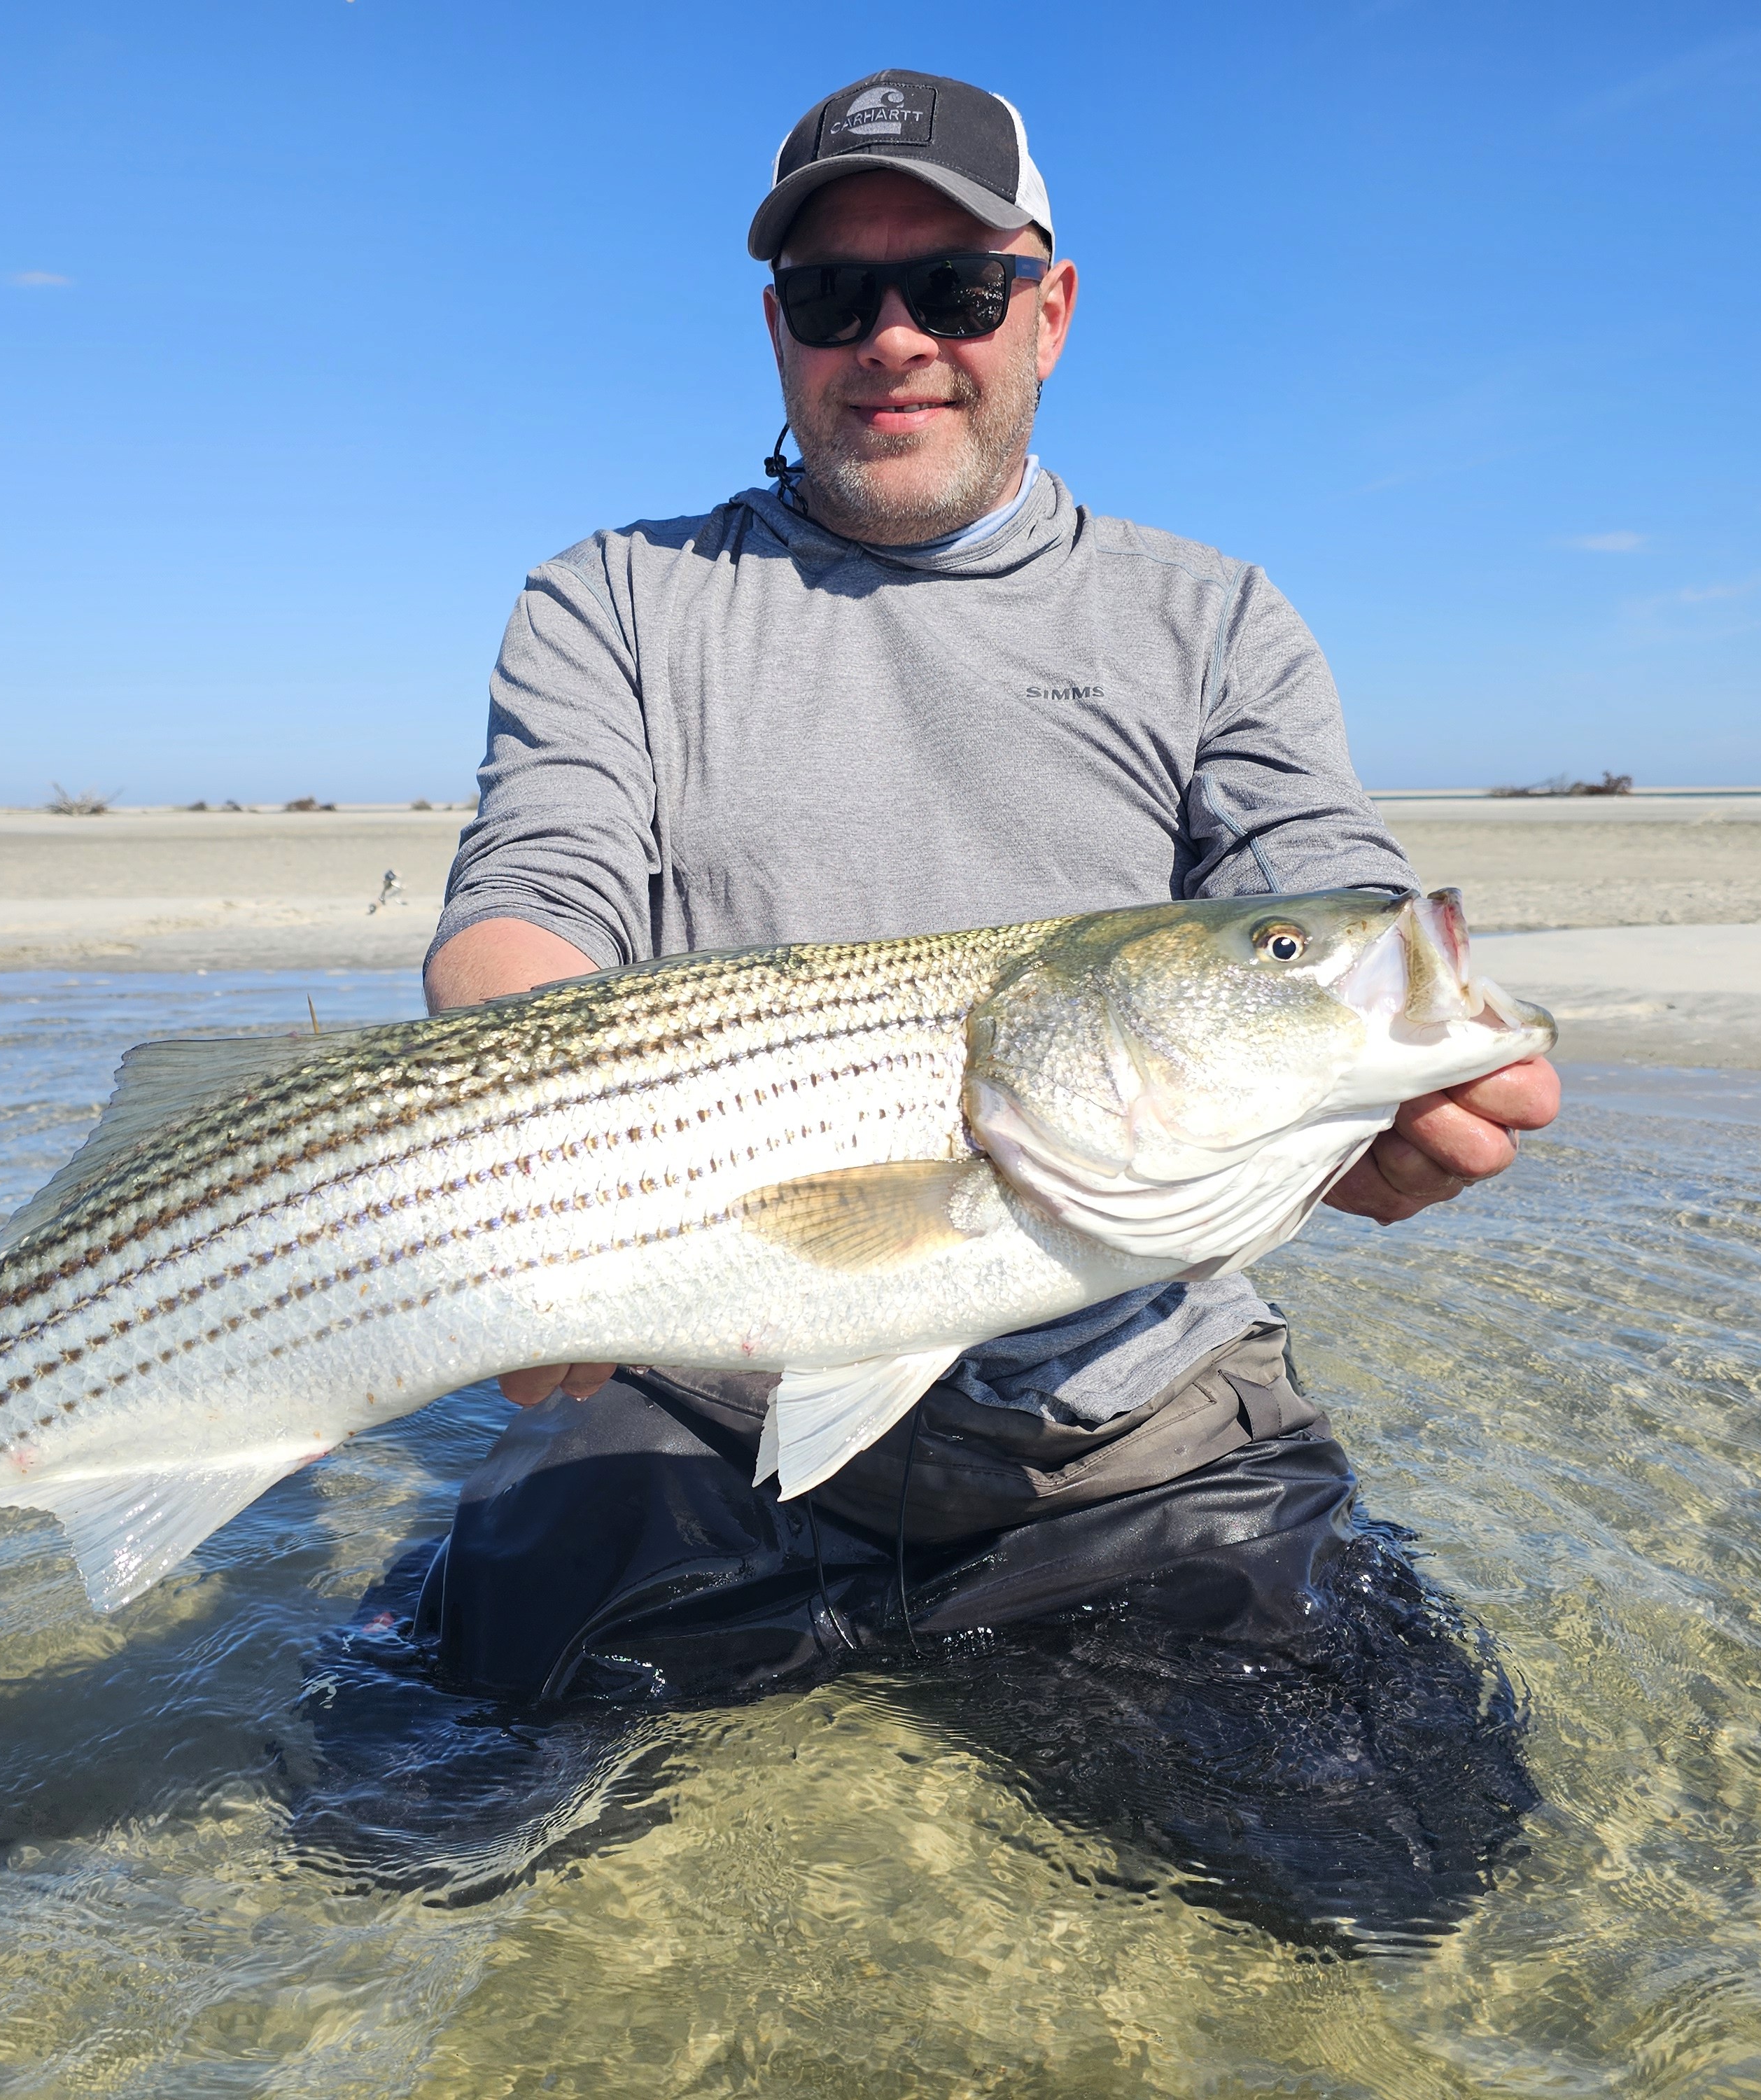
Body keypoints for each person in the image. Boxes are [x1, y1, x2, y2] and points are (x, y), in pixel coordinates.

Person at [309, 70, 1556, 1945]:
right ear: (779, 333)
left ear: (1047, 309)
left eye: (955, 291)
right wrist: (520, 1167)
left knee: (1410, 1879)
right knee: (390, 1826)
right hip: (691, 1399)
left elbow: (1320, 890)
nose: (893, 343)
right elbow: (534, 900)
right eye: (835, 298)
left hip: (1123, 1434)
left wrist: (1382, 1090)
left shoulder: (1210, 620)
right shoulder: (618, 602)